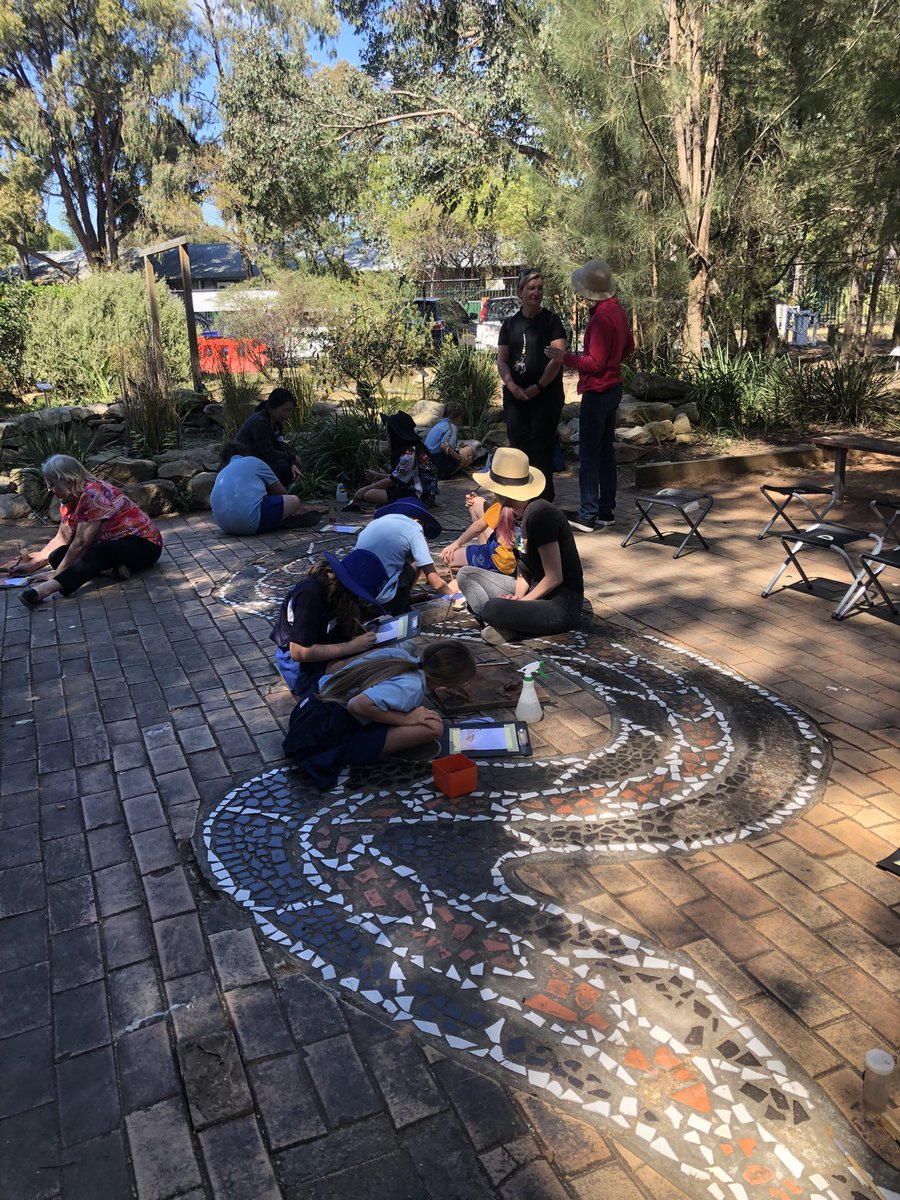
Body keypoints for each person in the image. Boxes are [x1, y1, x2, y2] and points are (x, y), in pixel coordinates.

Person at [282, 641, 477, 788]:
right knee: (433, 727)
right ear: (446, 683)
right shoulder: (412, 686)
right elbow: (357, 705)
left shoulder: (402, 656)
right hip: (320, 737)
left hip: (308, 712)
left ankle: (388, 740)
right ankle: (385, 749)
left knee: (411, 711)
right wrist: (406, 719)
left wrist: (445, 685)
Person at [455, 447, 583, 645]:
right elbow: (524, 568)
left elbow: (554, 577)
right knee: (466, 575)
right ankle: (509, 624)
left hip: (559, 603)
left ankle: (506, 622)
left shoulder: (541, 515)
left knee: (492, 609)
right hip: (533, 588)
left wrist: (522, 602)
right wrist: (517, 597)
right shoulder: (511, 514)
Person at [545, 259, 635, 532]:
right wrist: (612, 363)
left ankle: (588, 513)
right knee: (605, 451)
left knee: (589, 453)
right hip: (612, 387)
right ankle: (606, 510)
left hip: (597, 390)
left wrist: (564, 357)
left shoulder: (601, 318)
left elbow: (594, 362)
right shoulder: (617, 311)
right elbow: (629, 346)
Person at [11, 455, 163, 609]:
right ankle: (111, 571)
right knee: (56, 557)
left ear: (67, 480)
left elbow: (82, 542)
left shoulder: (92, 494)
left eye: (52, 484)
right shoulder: (69, 497)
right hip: (112, 545)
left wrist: (57, 574)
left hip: (144, 545)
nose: (49, 489)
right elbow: (63, 537)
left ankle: (42, 591)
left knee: (97, 551)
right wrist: (32, 565)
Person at [270, 549, 384, 697]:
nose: (361, 602)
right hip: (298, 667)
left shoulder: (340, 594)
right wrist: (351, 647)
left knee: (383, 639)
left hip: (325, 645)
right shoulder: (310, 594)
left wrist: (364, 633)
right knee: (366, 662)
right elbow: (298, 652)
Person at [497, 268, 567, 501]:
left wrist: (538, 386)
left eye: (540, 288)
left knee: (541, 447)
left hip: (545, 395)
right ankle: (520, 499)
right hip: (515, 397)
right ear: (520, 292)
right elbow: (502, 360)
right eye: (531, 288)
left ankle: (543, 501)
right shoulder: (509, 324)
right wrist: (512, 386)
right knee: (518, 447)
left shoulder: (552, 321)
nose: (536, 293)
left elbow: (557, 358)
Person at [356, 497, 455, 614]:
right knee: (417, 558)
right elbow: (436, 583)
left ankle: (404, 598)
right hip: (384, 602)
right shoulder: (414, 529)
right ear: (419, 521)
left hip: (357, 596)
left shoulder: (373, 524)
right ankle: (401, 602)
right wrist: (454, 596)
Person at [210, 444, 306, 535]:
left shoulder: (221, 473)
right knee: (294, 500)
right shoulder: (254, 461)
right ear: (244, 453)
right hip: (249, 523)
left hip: (224, 526)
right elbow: (280, 491)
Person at [350, 412, 437, 508]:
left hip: (419, 498)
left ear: (394, 434)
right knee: (376, 486)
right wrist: (378, 476)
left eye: (387, 431)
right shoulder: (415, 449)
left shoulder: (409, 456)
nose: (385, 434)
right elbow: (400, 477)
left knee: (369, 494)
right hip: (424, 495)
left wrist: (363, 490)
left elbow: (392, 481)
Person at [235, 387, 302, 486]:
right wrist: (292, 457)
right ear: (272, 408)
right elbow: (268, 453)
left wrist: (292, 462)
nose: (287, 414)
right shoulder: (260, 422)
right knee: (282, 466)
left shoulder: (276, 424)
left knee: (290, 465)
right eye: (284, 410)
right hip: (244, 462)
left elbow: (279, 448)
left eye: (290, 411)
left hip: (259, 459)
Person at [441, 493, 519, 575]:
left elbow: (478, 526)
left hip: (501, 558)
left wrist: (456, 543)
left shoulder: (503, 504)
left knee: (449, 558)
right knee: (476, 502)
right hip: (512, 552)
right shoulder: (523, 504)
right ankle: (483, 557)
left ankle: (486, 570)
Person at [424, 403, 475, 479]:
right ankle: (448, 474)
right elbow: (444, 445)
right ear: (457, 417)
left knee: (459, 451)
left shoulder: (437, 425)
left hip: (427, 461)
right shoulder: (451, 426)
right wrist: (461, 459)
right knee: (469, 450)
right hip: (438, 463)